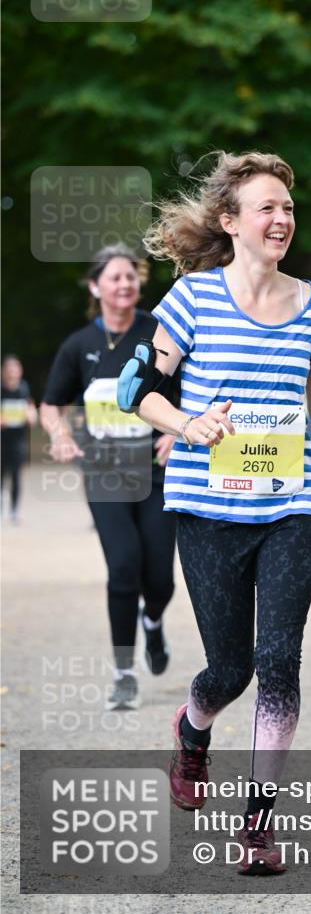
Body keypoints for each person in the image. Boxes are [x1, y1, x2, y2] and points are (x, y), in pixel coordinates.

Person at [137, 150, 311, 874]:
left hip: (290, 503)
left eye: (288, 208)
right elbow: (138, 390)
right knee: (228, 670)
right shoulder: (193, 299)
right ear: (230, 222)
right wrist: (185, 422)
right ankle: (191, 731)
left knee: (277, 662)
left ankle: (257, 826)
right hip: (205, 506)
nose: (282, 219)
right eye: (267, 207)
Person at [40, 245, 177, 711]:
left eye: (132, 277)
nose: (126, 284)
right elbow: (50, 404)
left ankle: (153, 621)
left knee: (159, 578)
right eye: (115, 278)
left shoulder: (158, 335)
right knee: (123, 567)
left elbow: (186, 390)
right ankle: (123, 673)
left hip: (156, 474)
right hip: (104, 473)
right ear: (96, 287)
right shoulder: (79, 346)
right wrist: (59, 434)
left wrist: (177, 433)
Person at [1, 355, 37, 523]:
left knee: (16, 474)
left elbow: (30, 408)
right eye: (9, 370)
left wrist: (31, 416)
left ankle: (14, 509)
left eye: (15, 370)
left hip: (18, 439)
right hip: (2, 438)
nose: (12, 373)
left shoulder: (24, 388)